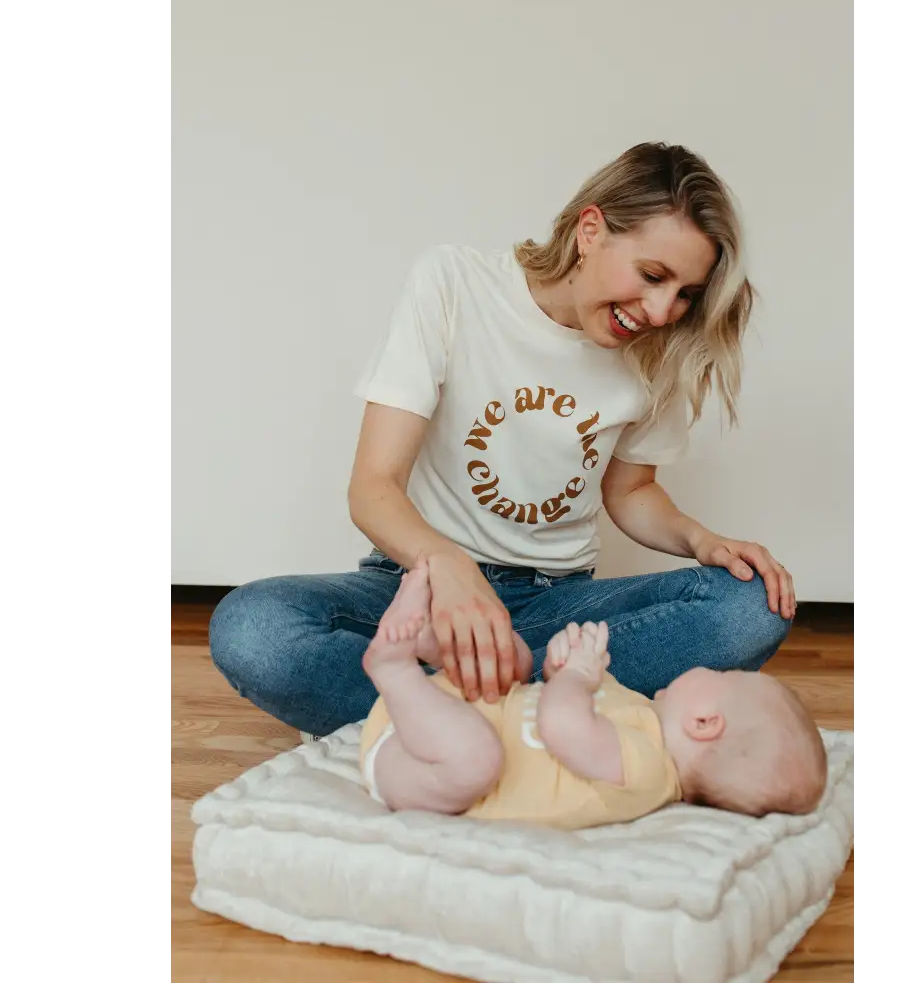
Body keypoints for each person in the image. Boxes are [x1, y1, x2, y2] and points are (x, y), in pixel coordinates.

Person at [209, 141, 797, 740]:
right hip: (415, 587)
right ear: (590, 230)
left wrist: (704, 541)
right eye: (652, 276)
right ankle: (539, 717)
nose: (661, 310)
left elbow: (633, 491)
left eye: (684, 294)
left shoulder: (656, 356)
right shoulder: (454, 285)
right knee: (254, 628)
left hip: (553, 609)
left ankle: (440, 716)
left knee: (751, 607)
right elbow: (373, 487)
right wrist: (448, 569)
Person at [360, 560, 826, 827]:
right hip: (445, 716)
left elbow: (561, 723)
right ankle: (424, 640)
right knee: (514, 660)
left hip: (418, 764)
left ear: (704, 722)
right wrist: (560, 665)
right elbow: (554, 695)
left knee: (476, 758)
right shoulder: (639, 715)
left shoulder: (648, 773)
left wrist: (574, 680)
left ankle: (396, 670)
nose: (711, 670)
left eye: (722, 677)